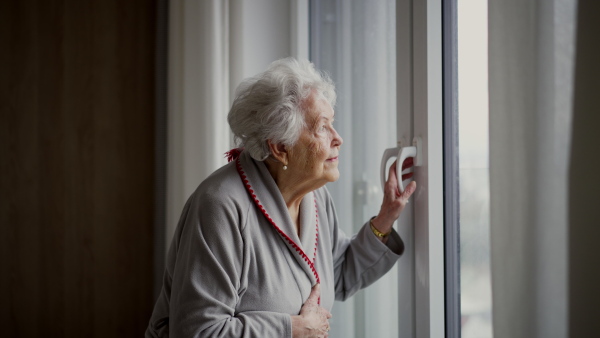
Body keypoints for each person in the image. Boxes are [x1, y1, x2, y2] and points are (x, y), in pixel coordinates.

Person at [146, 58, 417, 338]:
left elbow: (336, 276)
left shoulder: (316, 198)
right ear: (280, 148)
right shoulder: (219, 206)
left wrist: (384, 219)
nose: (338, 138)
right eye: (322, 127)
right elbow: (199, 331)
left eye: (332, 124)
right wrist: (292, 330)